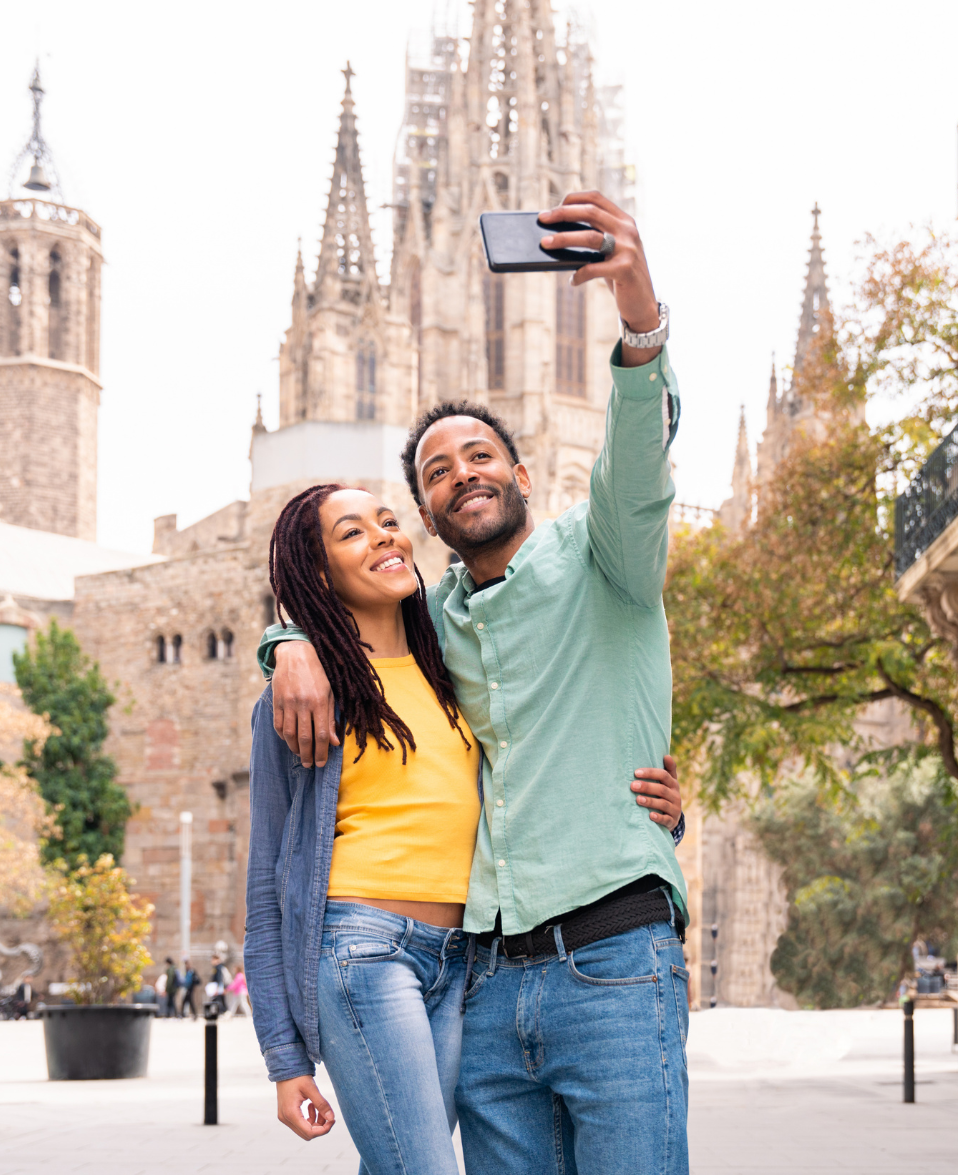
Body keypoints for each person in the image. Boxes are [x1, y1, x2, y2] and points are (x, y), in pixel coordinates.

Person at [263, 190, 694, 1172]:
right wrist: (284, 640)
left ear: (526, 472)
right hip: (488, 985)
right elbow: (346, 626)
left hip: (615, 960)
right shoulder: (438, 624)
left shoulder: (609, 556)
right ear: (425, 510)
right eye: (437, 471)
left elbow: (640, 461)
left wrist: (638, 313)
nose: (462, 473)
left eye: (479, 455)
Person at [246, 452, 685, 1170]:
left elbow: (535, 762)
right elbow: (266, 884)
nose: (383, 538)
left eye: (388, 523)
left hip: (465, 963)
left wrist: (661, 812)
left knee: (397, 1159)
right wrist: (283, 1058)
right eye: (352, 534)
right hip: (365, 950)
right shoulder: (297, 699)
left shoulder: (448, 663)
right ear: (317, 573)